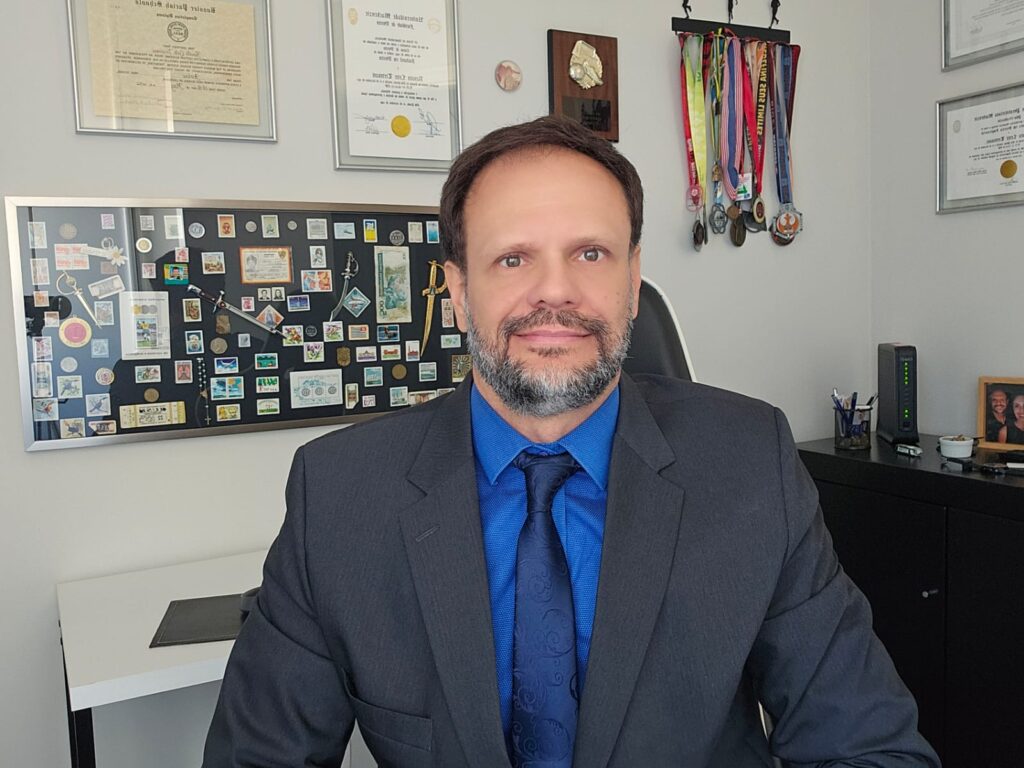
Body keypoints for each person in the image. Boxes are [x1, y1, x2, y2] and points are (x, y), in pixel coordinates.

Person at [203, 115, 939, 767]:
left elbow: (868, 748)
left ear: (632, 279)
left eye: (590, 254)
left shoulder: (750, 462)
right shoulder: (338, 493)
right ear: (458, 292)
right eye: (513, 258)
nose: (554, 293)